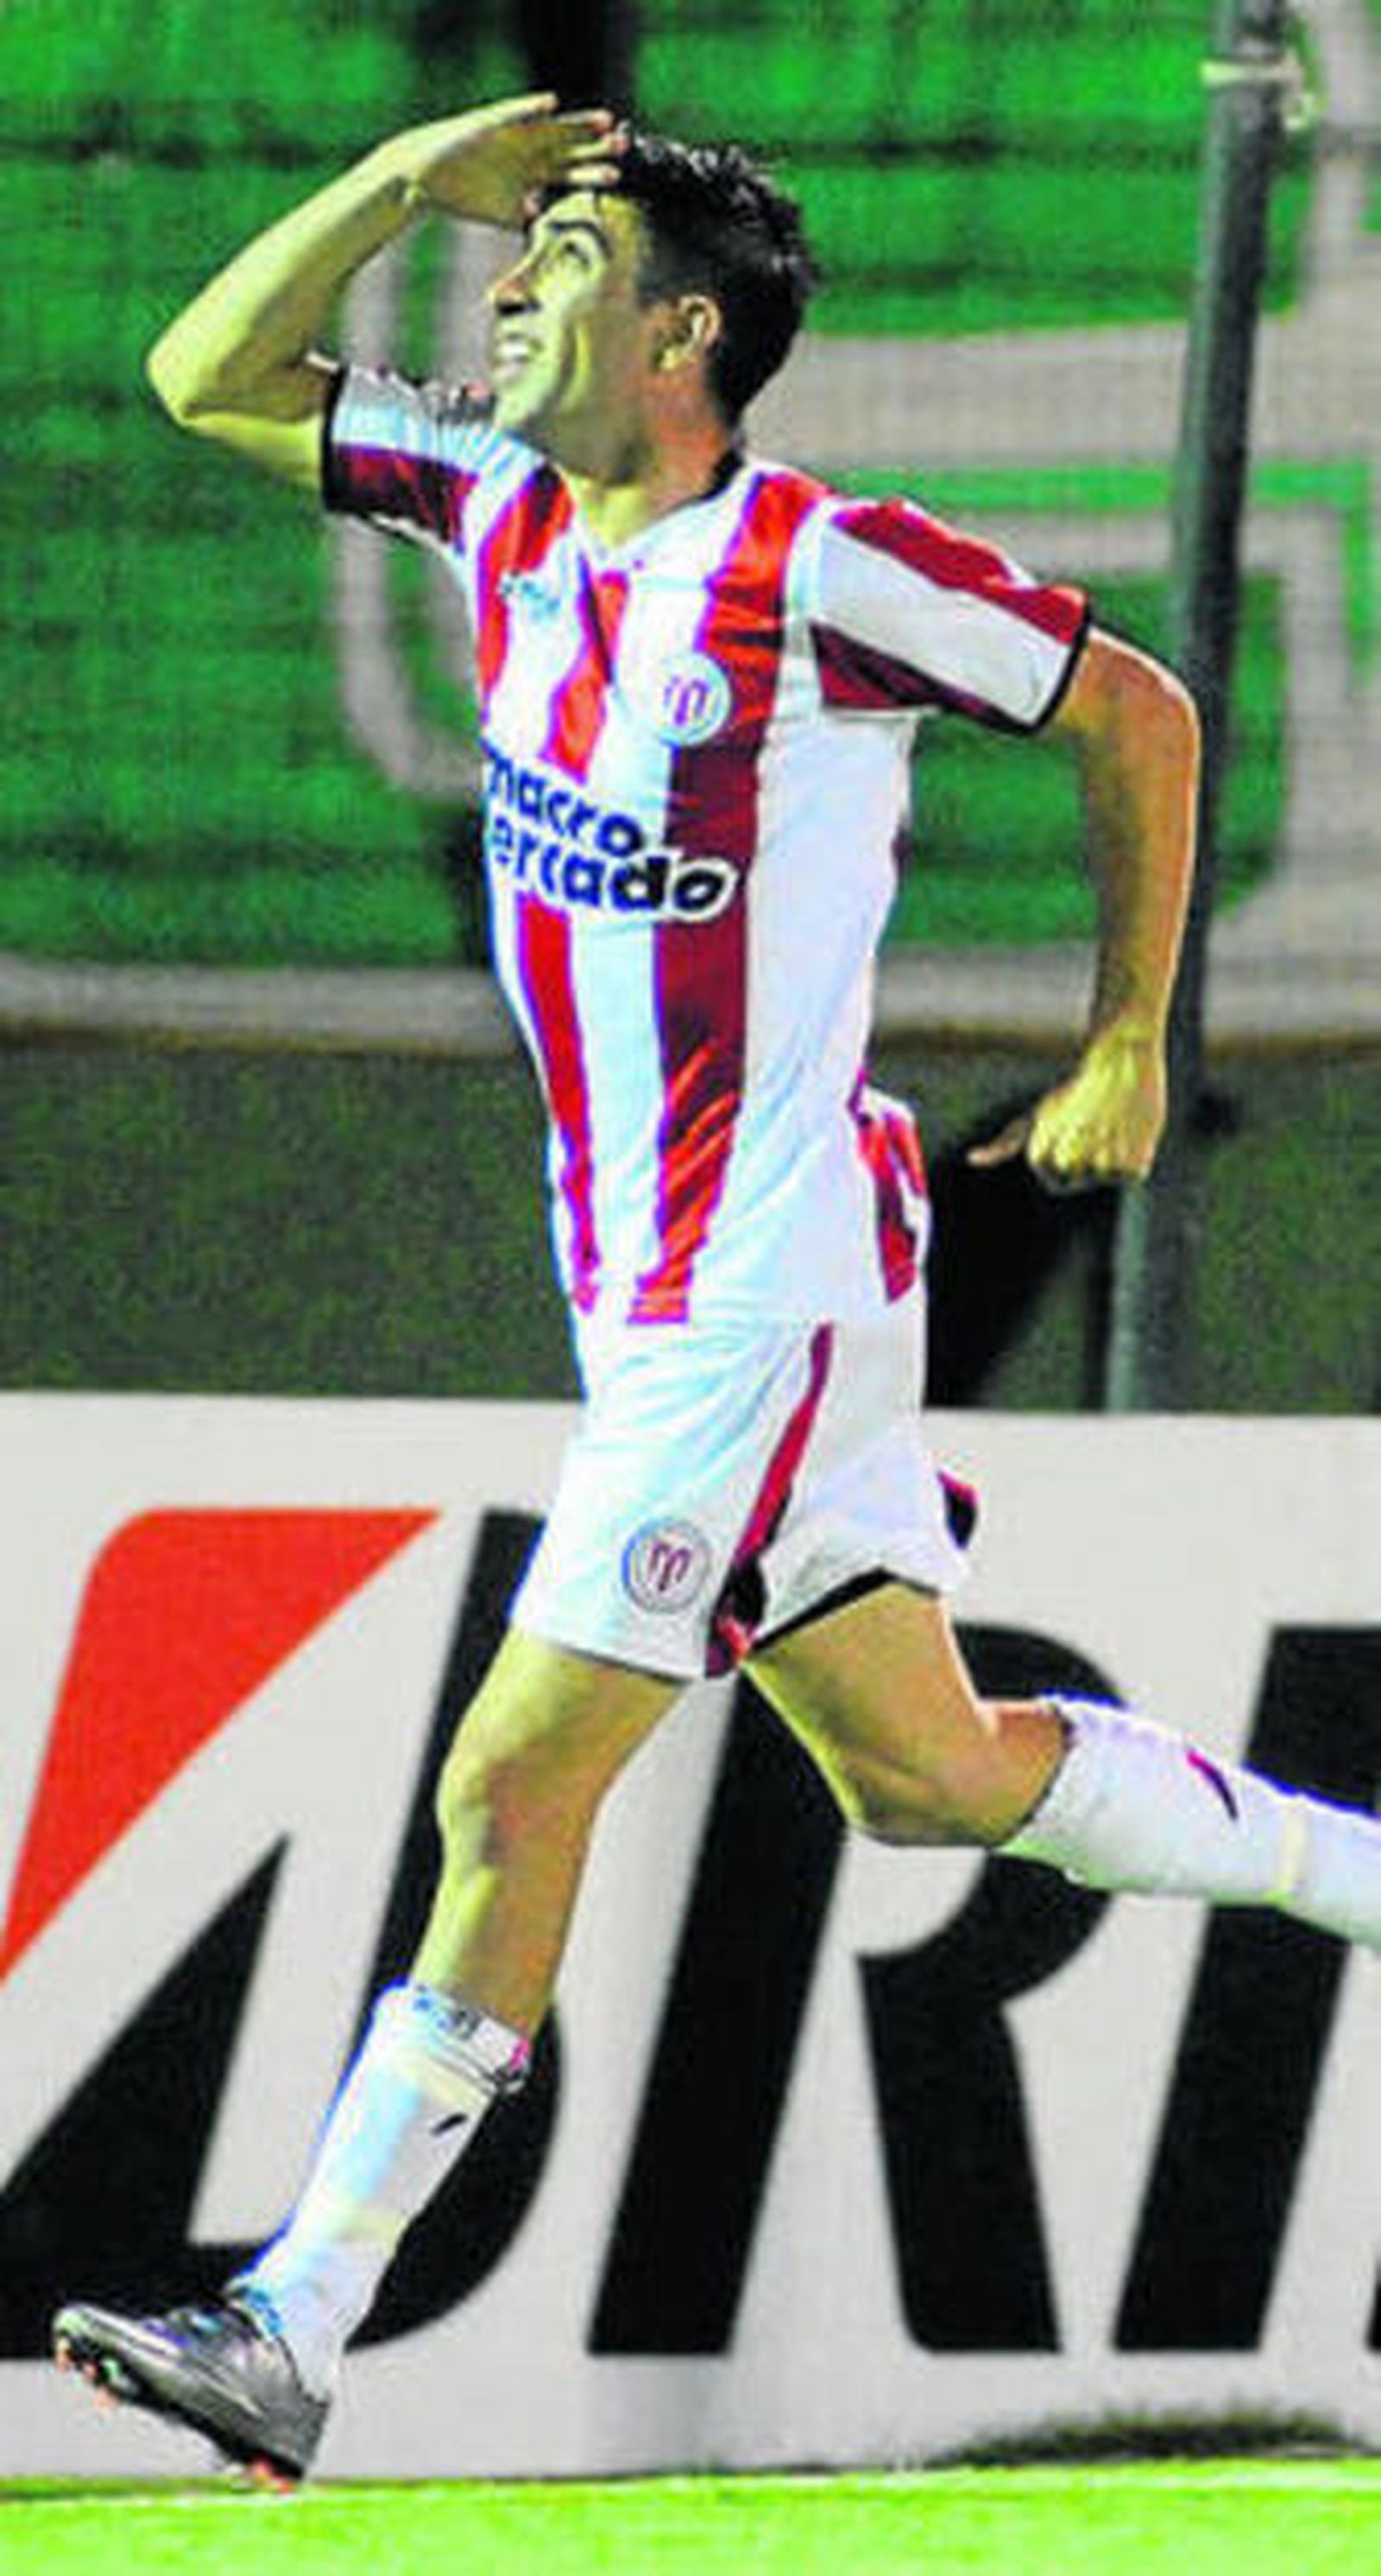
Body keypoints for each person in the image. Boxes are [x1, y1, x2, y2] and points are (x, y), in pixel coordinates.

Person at [54, 93, 1381, 2487]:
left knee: (510, 1775)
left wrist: (1127, 1038)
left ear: (680, 335)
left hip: (751, 1292)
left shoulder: (817, 563)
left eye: (561, 256)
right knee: (928, 1775)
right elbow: (203, 376)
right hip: (696, 1289)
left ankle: (295, 2320)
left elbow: (1136, 706)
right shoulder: (495, 504)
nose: (505, 285)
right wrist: (411, 173)